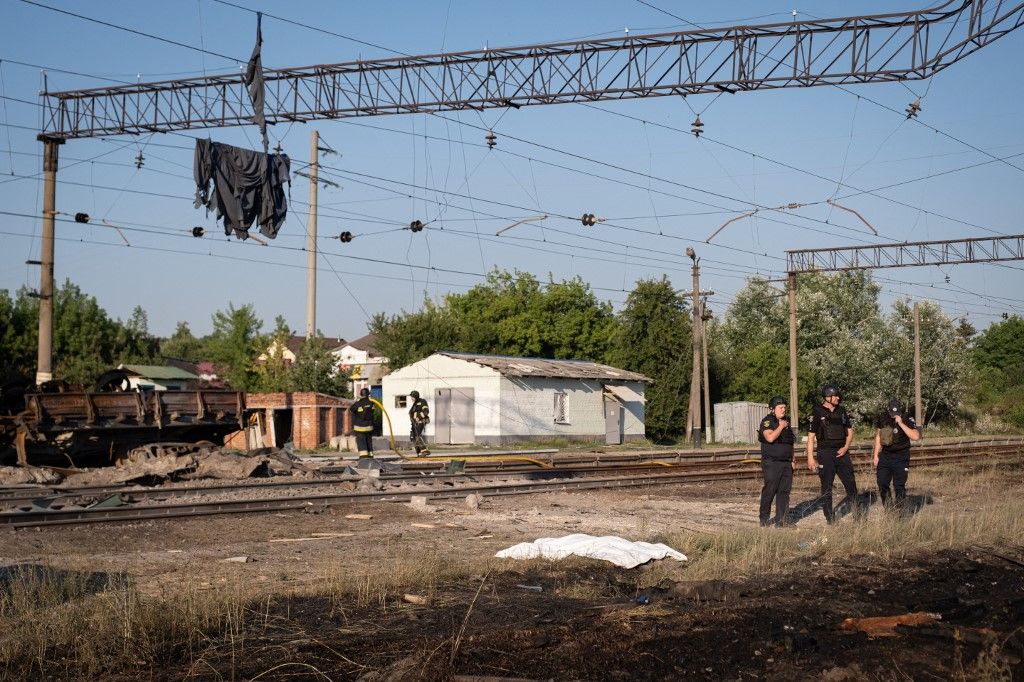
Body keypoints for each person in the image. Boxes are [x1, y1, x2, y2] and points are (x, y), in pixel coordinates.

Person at [806, 384, 857, 523]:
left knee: (851, 485)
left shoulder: (841, 411)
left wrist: (846, 447)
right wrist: (810, 458)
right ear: (828, 397)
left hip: (842, 453)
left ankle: (858, 516)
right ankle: (830, 519)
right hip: (825, 453)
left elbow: (850, 431)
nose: (838, 398)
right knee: (827, 487)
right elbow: (811, 437)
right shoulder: (817, 412)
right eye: (836, 396)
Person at [872, 398, 921, 509]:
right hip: (886, 456)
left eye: (896, 413)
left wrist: (901, 423)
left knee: (899, 486)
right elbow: (879, 436)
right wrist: (875, 455)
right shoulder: (883, 417)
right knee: (882, 483)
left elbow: (916, 436)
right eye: (892, 413)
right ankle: (889, 510)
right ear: (888, 410)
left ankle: (900, 513)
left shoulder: (907, 417)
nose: (894, 415)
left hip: (901, 456)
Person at [757, 395, 796, 527]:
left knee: (784, 491)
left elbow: (790, 442)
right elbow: (770, 438)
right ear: (773, 409)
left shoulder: (786, 422)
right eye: (781, 407)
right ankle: (764, 519)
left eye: (785, 407)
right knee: (770, 490)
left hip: (786, 462)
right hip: (772, 463)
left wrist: (792, 459)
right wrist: (780, 426)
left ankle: (782, 520)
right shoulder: (767, 421)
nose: (783, 410)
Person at [349, 388, 375, 459]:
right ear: (368, 394)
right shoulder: (372, 403)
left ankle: (364, 458)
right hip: (369, 427)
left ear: (361, 394)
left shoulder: (357, 404)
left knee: (361, 442)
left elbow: (351, 409)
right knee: (368, 442)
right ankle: (370, 457)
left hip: (360, 427)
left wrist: (358, 401)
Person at [408, 390, 431, 455]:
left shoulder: (422, 402)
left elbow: (426, 411)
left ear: (415, 396)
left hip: (420, 422)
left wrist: (419, 417)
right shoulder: (414, 404)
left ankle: (424, 450)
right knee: (413, 437)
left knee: (417, 435)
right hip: (414, 423)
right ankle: (419, 452)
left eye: (412, 397)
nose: (411, 398)